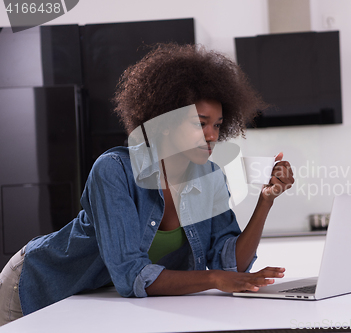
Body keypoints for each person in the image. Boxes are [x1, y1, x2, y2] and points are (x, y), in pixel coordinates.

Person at [0, 43, 294, 326]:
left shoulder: (210, 177)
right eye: (199, 123)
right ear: (164, 122)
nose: (211, 135)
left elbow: (232, 265)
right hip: (39, 286)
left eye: (217, 124)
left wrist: (266, 200)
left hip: (94, 302)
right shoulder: (115, 170)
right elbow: (131, 275)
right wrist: (215, 278)